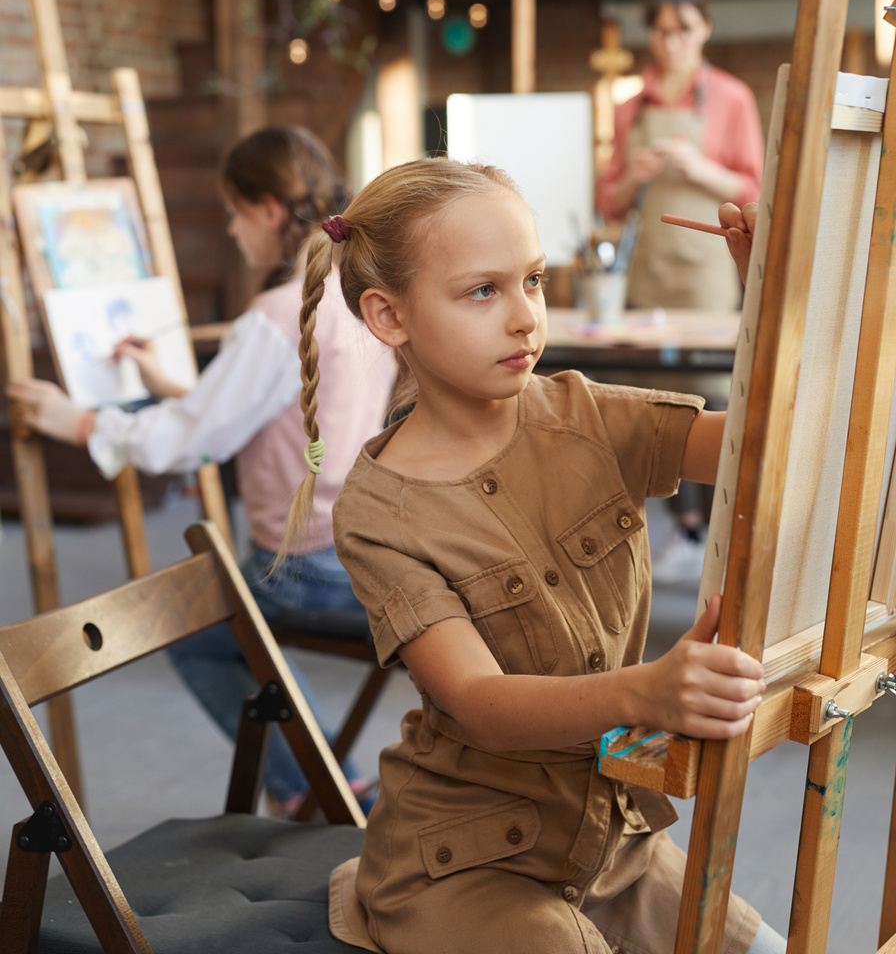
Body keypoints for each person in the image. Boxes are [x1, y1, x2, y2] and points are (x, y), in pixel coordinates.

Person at [282, 158, 783, 954]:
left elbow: (758, 450)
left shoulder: (583, 411)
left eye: (536, 281)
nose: (525, 318)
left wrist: (775, 300)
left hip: (611, 845)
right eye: (484, 291)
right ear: (388, 316)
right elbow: (479, 701)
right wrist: (646, 693)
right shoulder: (378, 511)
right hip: (464, 863)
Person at [8, 125, 396, 814]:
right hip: (373, 546)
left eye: (235, 212)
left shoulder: (280, 316)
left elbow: (186, 445)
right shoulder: (353, 291)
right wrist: (173, 387)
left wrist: (78, 421)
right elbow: (262, 408)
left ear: (270, 210)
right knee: (235, 630)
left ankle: (314, 785)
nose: (231, 229)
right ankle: (328, 777)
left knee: (196, 629)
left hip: (307, 565)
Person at [597, 0, 765, 584]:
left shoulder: (730, 98)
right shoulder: (629, 104)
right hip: (647, 274)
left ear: (705, 30)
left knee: (709, 392)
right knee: (647, 397)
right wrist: (634, 174)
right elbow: (609, 201)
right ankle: (661, 531)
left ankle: (706, 533)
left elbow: (754, 188)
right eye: (661, 31)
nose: (669, 42)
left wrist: (699, 166)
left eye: (683, 30)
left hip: (707, 273)